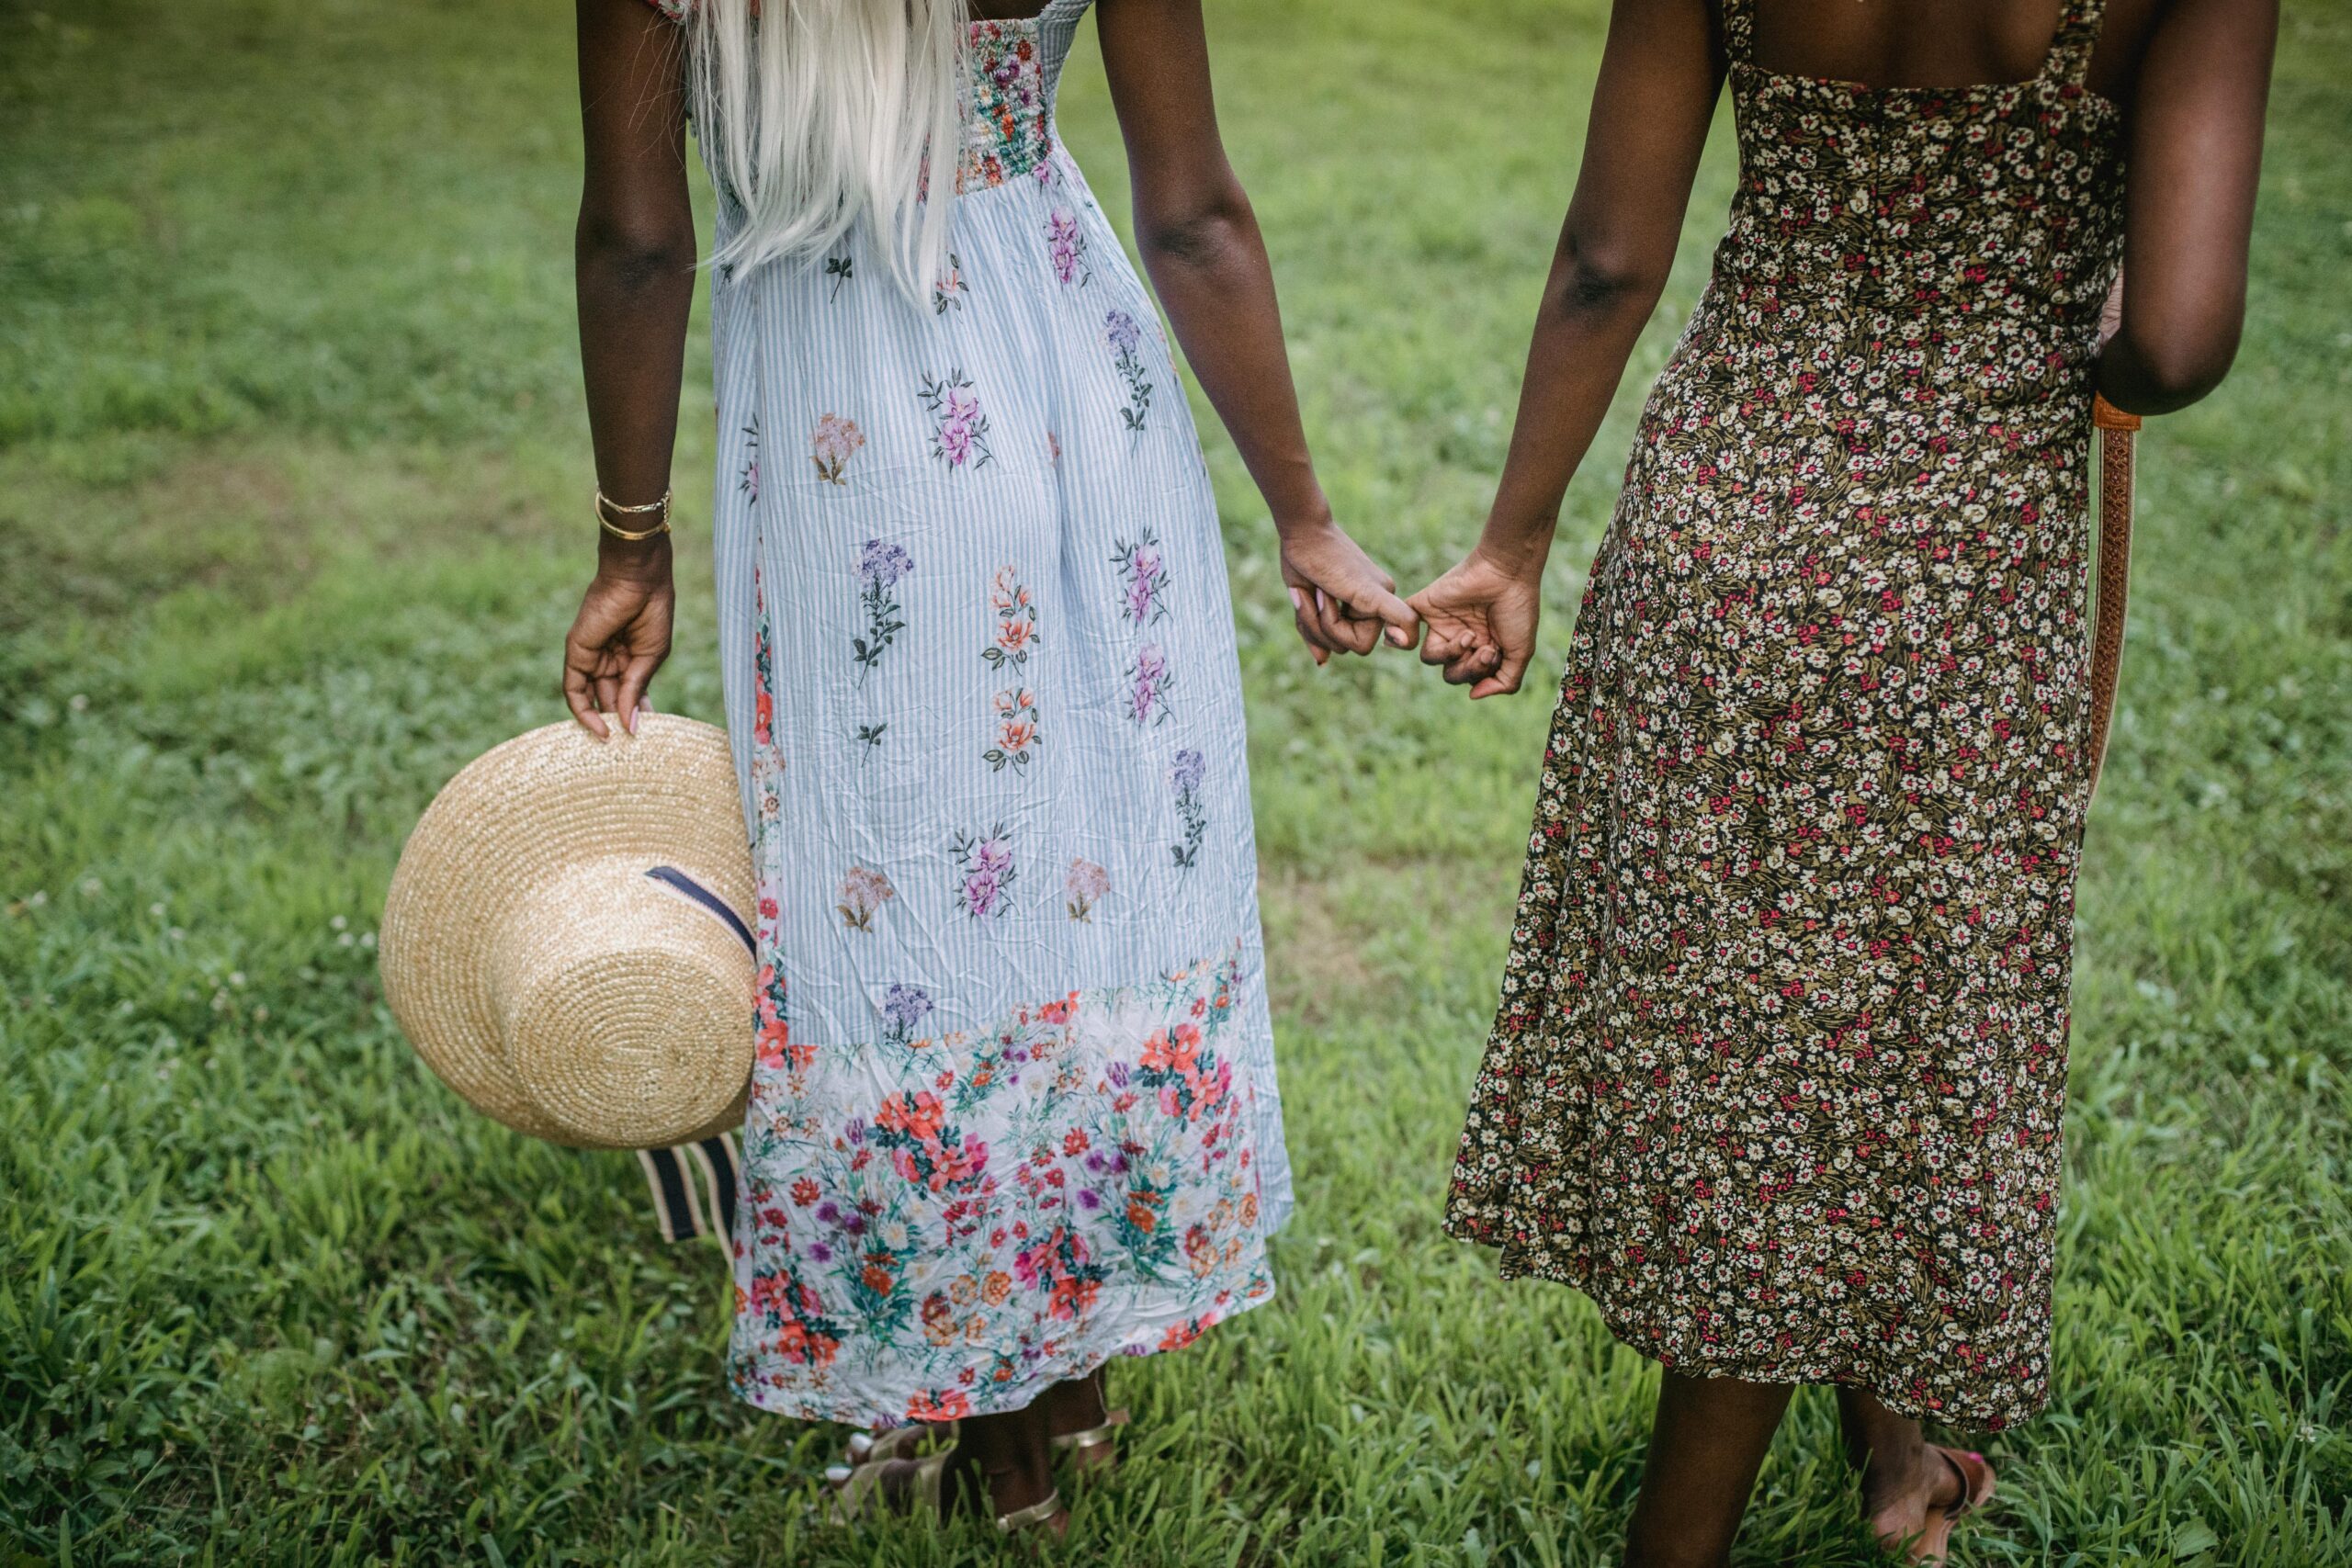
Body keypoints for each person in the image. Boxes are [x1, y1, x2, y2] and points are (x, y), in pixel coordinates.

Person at [1411, 0, 2273, 1562]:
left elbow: (1609, 256)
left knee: (1764, 1027)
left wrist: (1513, 543)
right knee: (1870, 1025)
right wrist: (2070, 324)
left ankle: (1892, 1445)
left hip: (1725, 520)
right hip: (1959, 557)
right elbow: (2178, 340)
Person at [562, 0, 1416, 1535]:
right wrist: (1304, 515)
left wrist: (634, 542)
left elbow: (638, 242)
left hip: (853, 440)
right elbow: (1196, 211)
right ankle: (1061, 1390)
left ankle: (1004, 1446)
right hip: (1080, 385)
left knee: (908, 901)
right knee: (1067, 865)